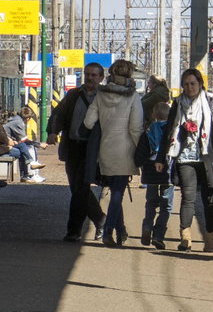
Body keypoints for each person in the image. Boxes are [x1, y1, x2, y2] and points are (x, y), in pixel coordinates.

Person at [155, 69, 213, 252]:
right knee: (187, 198)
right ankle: (186, 237)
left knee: (209, 200)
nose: (190, 87)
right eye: (186, 84)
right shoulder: (177, 103)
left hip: (208, 156)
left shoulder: (212, 102)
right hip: (185, 157)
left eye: (193, 84)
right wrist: (161, 157)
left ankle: (210, 238)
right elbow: (168, 131)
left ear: (200, 84)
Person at [83, 59, 144, 247]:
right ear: (129, 75)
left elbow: (88, 122)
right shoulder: (133, 97)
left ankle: (122, 230)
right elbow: (135, 127)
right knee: (117, 194)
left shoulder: (101, 95)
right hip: (125, 150)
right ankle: (108, 230)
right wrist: (139, 152)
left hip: (106, 149)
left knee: (115, 192)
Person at [47, 63, 108, 243]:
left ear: (101, 78)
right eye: (87, 74)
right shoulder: (74, 95)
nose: (90, 78)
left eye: (94, 75)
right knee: (77, 188)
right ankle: (101, 220)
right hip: (73, 146)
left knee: (80, 188)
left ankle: (74, 231)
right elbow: (59, 114)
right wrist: (52, 131)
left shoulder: (105, 97)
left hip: (93, 149)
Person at [134, 101, 174, 250]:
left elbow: (141, 152)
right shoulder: (172, 130)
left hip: (150, 171)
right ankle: (158, 235)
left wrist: (140, 164)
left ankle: (147, 226)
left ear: (154, 115)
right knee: (166, 206)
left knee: (150, 202)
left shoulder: (149, 131)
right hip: (167, 171)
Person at [3, 106, 47, 183]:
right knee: (26, 147)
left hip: (7, 144)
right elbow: (25, 140)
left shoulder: (15, 120)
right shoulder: (18, 123)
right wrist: (39, 144)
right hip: (4, 147)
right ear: (27, 118)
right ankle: (30, 173)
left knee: (23, 148)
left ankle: (27, 175)